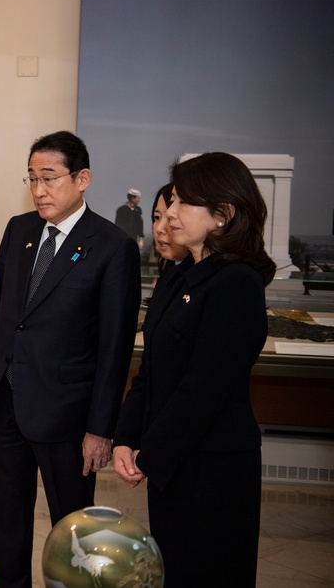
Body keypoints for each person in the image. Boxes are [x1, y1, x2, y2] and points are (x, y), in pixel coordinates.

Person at [0, 131, 141, 588]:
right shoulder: (19, 230)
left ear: (82, 179)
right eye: (31, 179)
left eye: (49, 178)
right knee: (5, 515)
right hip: (6, 399)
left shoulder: (112, 245)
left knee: (75, 528)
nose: (39, 190)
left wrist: (101, 428)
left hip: (68, 414)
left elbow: (114, 348)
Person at [113, 152, 275, 585]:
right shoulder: (178, 276)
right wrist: (127, 438)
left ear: (223, 215)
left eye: (183, 203)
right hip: (172, 463)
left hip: (214, 469)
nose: (170, 213)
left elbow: (204, 389)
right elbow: (149, 372)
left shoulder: (237, 283)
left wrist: (151, 455)